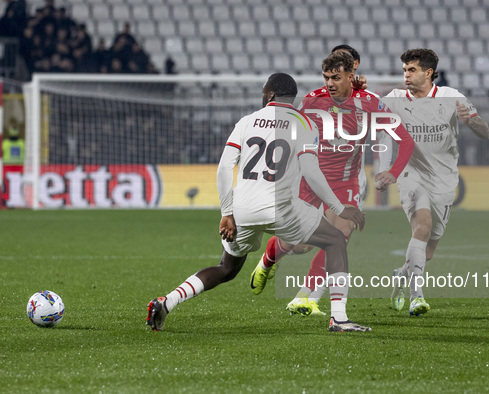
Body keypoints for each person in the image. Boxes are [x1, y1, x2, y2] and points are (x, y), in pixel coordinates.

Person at [146, 73, 371, 332]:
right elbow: (311, 172)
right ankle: (339, 319)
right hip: (282, 208)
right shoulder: (305, 124)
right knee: (334, 240)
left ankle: (168, 300)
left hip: (242, 210)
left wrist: (226, 213)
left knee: (226, 269)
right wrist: (341, 208)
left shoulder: (247, 121)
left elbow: (223, 169)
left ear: (270, 94)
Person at [250, 51, 415, 316]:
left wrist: (393, 173)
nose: (329, 83)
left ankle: (305, 298)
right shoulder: (313, 101)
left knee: (338, 237)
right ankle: (268, 261)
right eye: (326, 77)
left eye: (336, 78)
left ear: (351, 76)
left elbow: (405, 140)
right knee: (298, 246)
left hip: (345, 184)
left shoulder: (370, 103)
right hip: (309, 181)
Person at [384, 49, 489, 316]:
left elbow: (486, 132)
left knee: (428, 250)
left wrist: (471, 122)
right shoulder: (395, 99)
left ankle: (402, 274)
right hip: (412, 175)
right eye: (404, 70)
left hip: (444, 180)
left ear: (428, 72)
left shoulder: (452, 98)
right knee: (422, 226)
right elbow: (363, 110)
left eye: (412, 70)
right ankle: (416, 297)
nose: (406, 75)